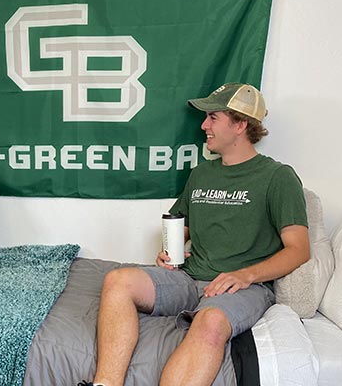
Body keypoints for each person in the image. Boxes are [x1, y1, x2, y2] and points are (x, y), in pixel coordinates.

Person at [78, 83, 310, 386]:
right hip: (189, 278)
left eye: (213, 118)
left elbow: (299, 249)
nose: (204, 126)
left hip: (241, 289)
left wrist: (245, 275)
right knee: (118, 280)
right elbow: (180, 225)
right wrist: (167, 251)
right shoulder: (202, 173)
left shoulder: (278, 177)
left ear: (240, 124)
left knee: (211, 322)